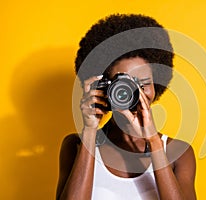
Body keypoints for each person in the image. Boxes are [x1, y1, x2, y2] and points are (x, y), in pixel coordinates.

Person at [56, 14, 196, 200]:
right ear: (103, 87)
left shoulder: (178, 152)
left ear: (156, 85)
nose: (134, 92)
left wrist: (153, 140)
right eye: (123, 84)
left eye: (143, 83)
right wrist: (90, 131)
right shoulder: (75, 146)